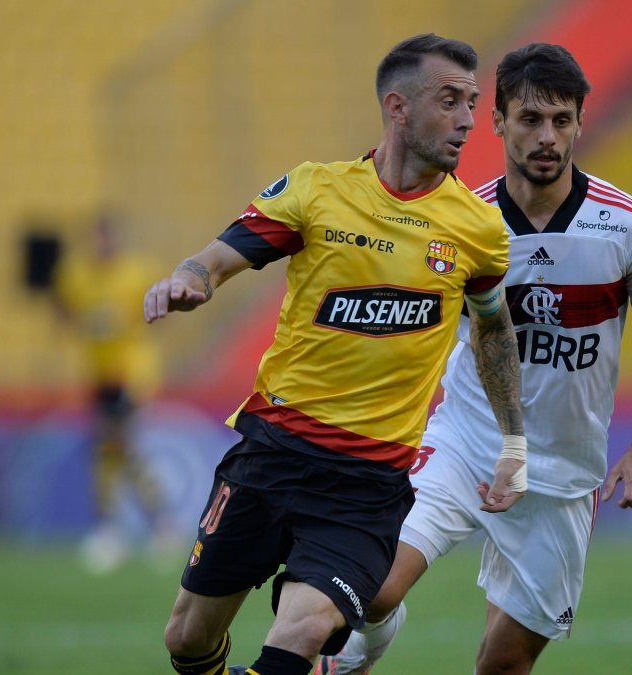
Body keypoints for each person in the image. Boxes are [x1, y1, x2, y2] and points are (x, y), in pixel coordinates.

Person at [145, 34, 528, 675]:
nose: (467, 119)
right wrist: (188, 282)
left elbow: (492, 329)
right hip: (272, 453)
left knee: (303, 630)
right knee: (186, 637)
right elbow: (212, 261)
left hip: (367, 483)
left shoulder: (479, 229)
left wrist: (514, 442)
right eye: (450, 101)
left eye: (472, 101)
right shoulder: (316, 190)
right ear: (398, 107)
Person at [321, 42, 632, 675]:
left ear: (580, 121)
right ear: (496, 121)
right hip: (468, 441)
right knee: (375, 587)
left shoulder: (630, 227)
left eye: (561, 120)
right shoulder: (463, 219)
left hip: (564, 477)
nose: (546, 137)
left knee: (503, 664)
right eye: (529, 119)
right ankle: (364, 645)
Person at [53, 213, 168, 573]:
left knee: (111, 441)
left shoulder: (136, 272)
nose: (102, 245)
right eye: (97, 238)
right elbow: (60, 304)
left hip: (132, 370)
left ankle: (114, 529)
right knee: (119, 449)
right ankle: (156, 523)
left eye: (108, 238)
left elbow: (163, 306)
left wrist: (136, 330)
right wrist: (81, 325)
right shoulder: (76, 274)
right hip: (99, 372)